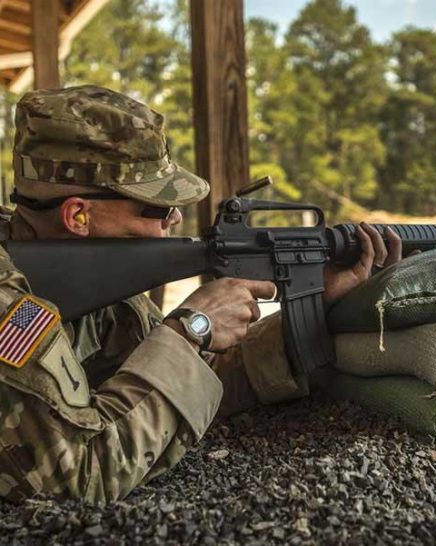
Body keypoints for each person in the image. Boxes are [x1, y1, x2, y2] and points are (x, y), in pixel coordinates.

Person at [0, 85, 402, 504]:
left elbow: (177, 389)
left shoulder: (90, 276)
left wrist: (315, 305)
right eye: (154, 207)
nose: (175, 217)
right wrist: (190, 327)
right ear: (78, 215)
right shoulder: (11, 305)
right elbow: (80, 478)